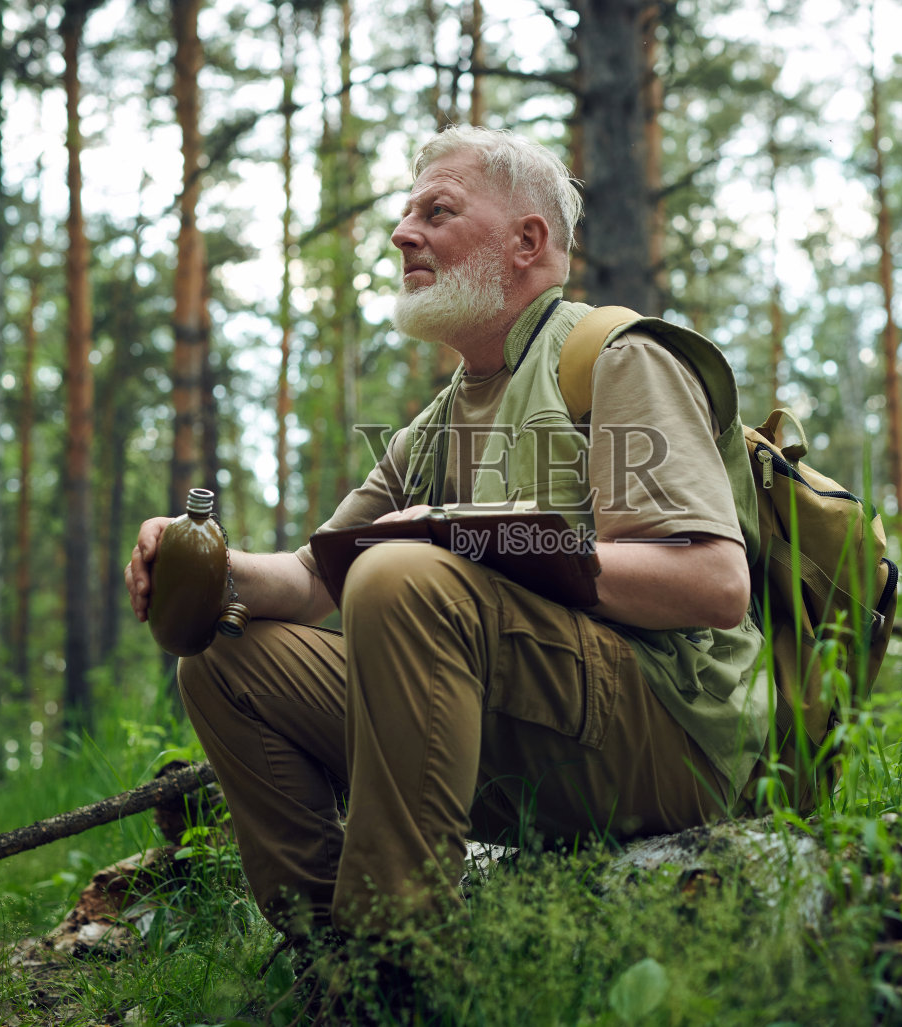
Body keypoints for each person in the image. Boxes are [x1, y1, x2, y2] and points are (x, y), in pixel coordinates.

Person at [124, 126, 771, 948]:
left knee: (404, 576)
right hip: (535, 727)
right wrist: (198, 561)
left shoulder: (617, 356)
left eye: (438, 209)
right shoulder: (433, 429)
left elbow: (714, 584)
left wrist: (462, 538)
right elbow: (310, 581)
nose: (401, 233)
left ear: (526, 241)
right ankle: (330, 960)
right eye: (404, 215)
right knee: (225, 661)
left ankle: (398, 954)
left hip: (669, 737)